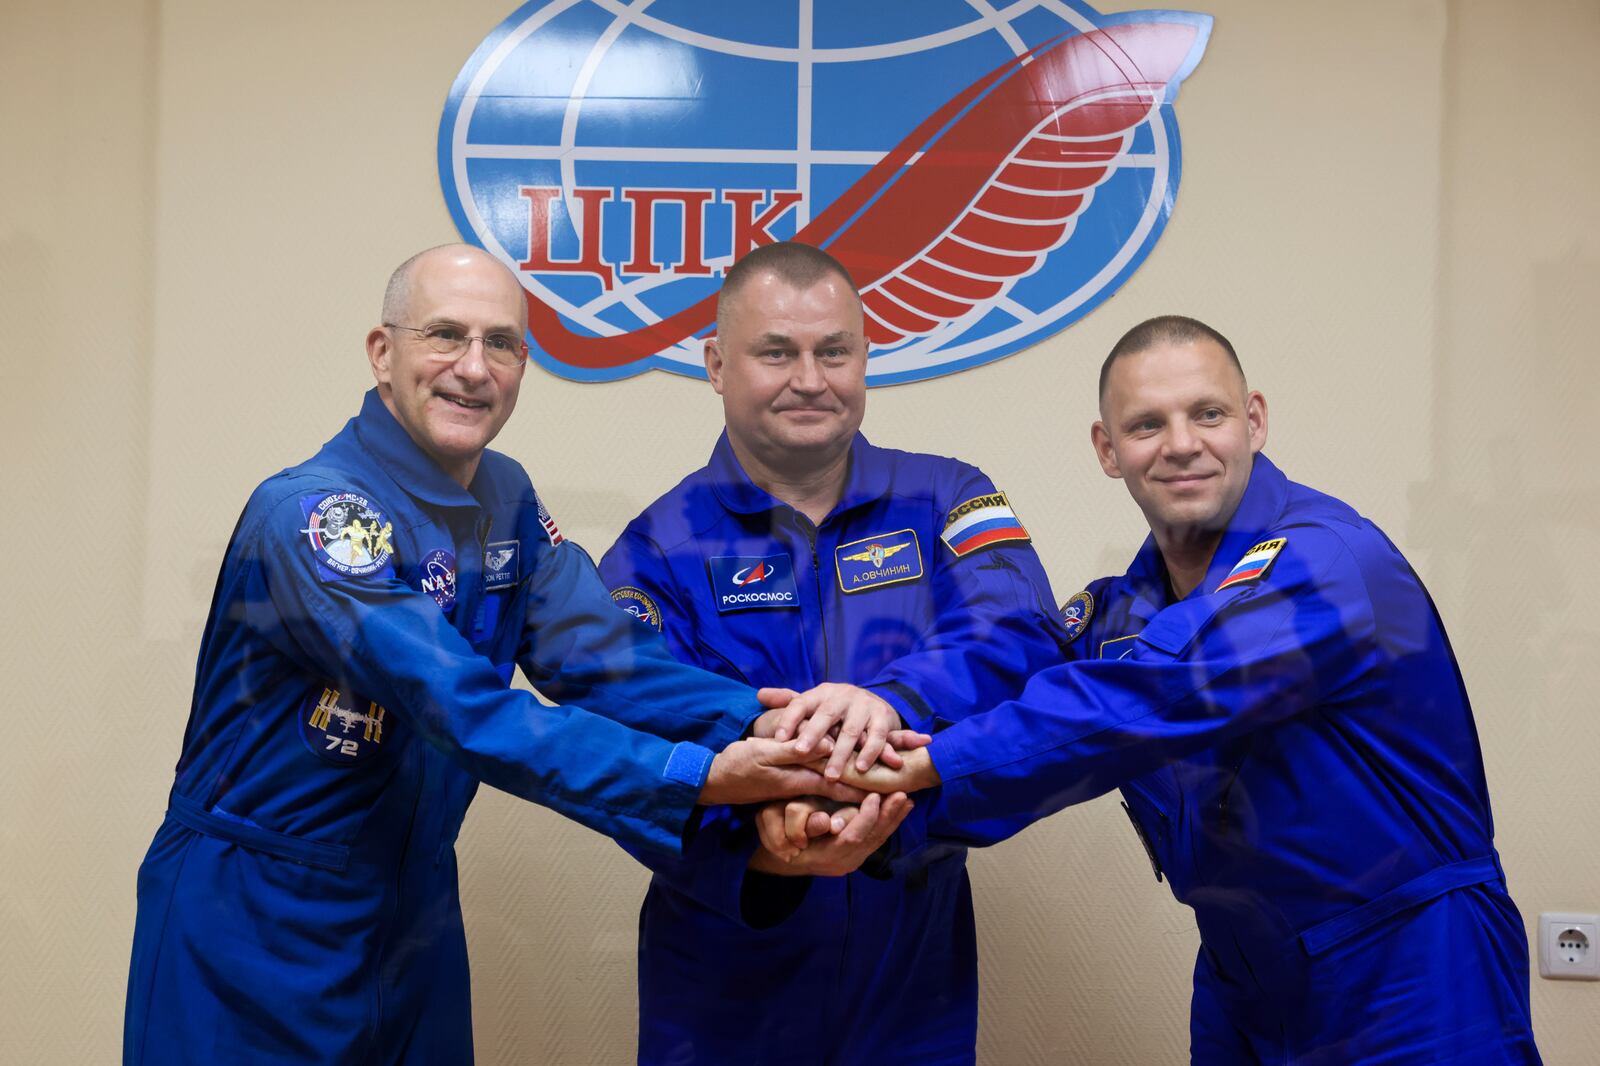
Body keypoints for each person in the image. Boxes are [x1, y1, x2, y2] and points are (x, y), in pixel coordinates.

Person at [123, 244, 862, 1066]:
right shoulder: (314, 515)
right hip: (253, 922)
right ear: (383, 352)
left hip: (414, 915)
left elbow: (605, 659)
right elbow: (460, 707)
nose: (473, 368)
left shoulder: (502, 497)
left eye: (501, 343)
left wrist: (780, 725)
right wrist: (695, 777)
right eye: (445, 335)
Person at [803, 316, 1541, 1063]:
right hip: (1241, 979)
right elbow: (1019, 677)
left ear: (1253, 421)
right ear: (1108, 450)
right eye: (1148, 423)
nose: (1182, 443)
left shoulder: (1328, 562)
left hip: (1410, 965)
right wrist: (883, 723)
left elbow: (1148, 697)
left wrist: (923, 769)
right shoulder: (1123, 611)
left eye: (1208, 414)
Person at [597, 242, 1067, 1065]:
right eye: (776, 352)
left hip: (911, 958)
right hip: (721, 969)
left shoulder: (948, 497)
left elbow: (1017, 628)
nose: (809, 379)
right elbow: (623, 734)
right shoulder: (656, 550)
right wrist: (761, 843)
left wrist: (894, 700)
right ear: (716, 364)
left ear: (864, 356)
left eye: (833, 351)